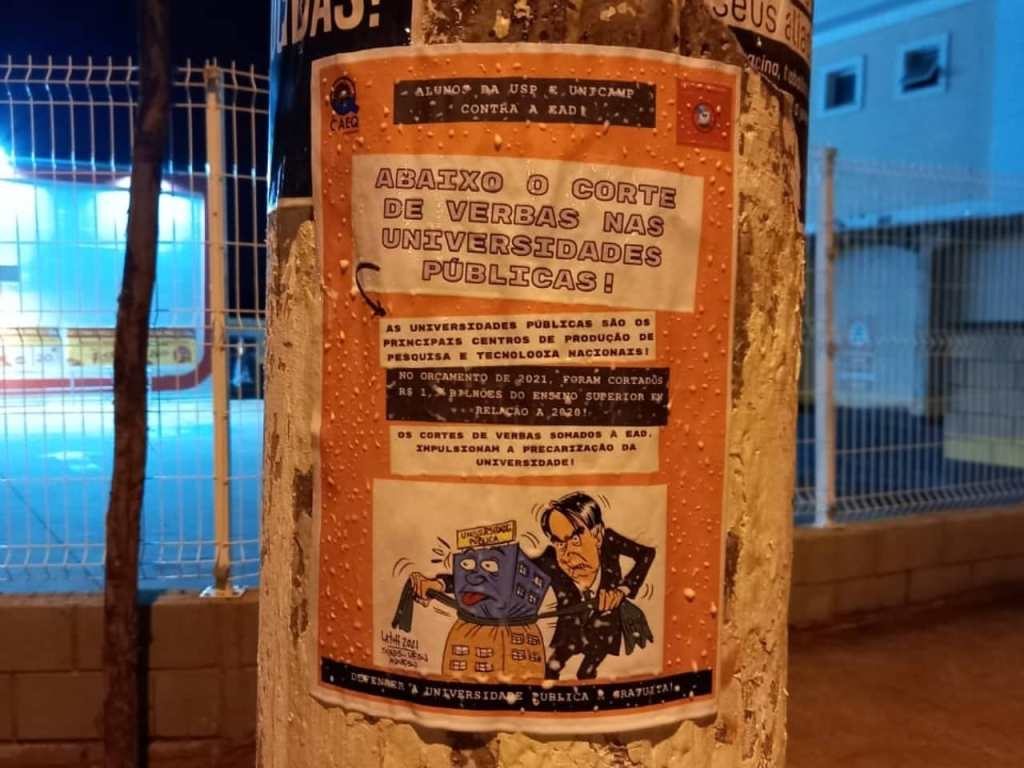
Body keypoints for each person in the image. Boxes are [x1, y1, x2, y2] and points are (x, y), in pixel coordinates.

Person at [532, 491, 655, 680]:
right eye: (559, 543)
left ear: (597, 535)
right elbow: (516, 567)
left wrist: (623, 590)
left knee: (586, 674)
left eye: (575, 539)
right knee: (549, 669)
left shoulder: (610, 543)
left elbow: (646, 554)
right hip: (570, 630)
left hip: (603, 630)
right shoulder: (550, 560)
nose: (568, 554)